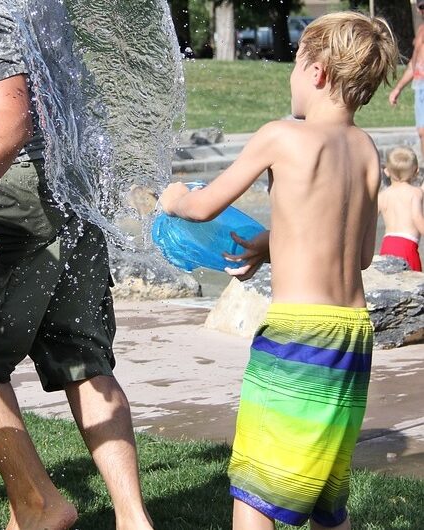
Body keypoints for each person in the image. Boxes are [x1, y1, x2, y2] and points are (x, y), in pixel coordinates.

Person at [0, 1, 155, 528]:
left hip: (19, 188)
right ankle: (133, 518)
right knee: (82, 358)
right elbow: (35, 82)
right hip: (77, 187)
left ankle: (38, 503)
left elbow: (15, 116)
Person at [159, 11, 397, 530]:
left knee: (256, 494)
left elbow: (203, 208)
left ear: (317, 72)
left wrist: (175, 198)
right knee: (326, 500)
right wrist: (271, 243)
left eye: (294, 64)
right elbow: (357, 256)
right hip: (351, 337)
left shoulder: (281, 137)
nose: (291, 75)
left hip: (298, 336)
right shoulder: (366, 150)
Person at [378, 146, 424, 271]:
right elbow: (416, 217)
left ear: (386, 171)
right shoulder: (415, 193)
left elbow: (368, 219)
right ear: (416, 172)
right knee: (413, 286)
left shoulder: (382, 196)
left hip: (386, 246)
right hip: (407, 247)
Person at [388, 0, 424, 157]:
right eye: (422, 7)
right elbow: (413, 64)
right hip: (419, 85)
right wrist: (398, 88)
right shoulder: (421, 31)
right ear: (418, 9)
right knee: (422, 132)